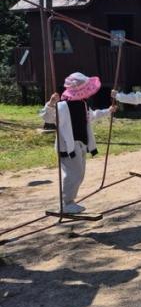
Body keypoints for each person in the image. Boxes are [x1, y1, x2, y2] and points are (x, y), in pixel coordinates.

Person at [40, 73, 115, 214]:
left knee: (79, 174)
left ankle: (70, 201)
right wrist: (51, 104)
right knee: (73, 174)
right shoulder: (62, 106)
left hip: (81, 143)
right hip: (68, 147)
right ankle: (66, 203)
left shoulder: (83, 104)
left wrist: (108, 111)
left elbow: (93, 116)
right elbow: (48, 118)